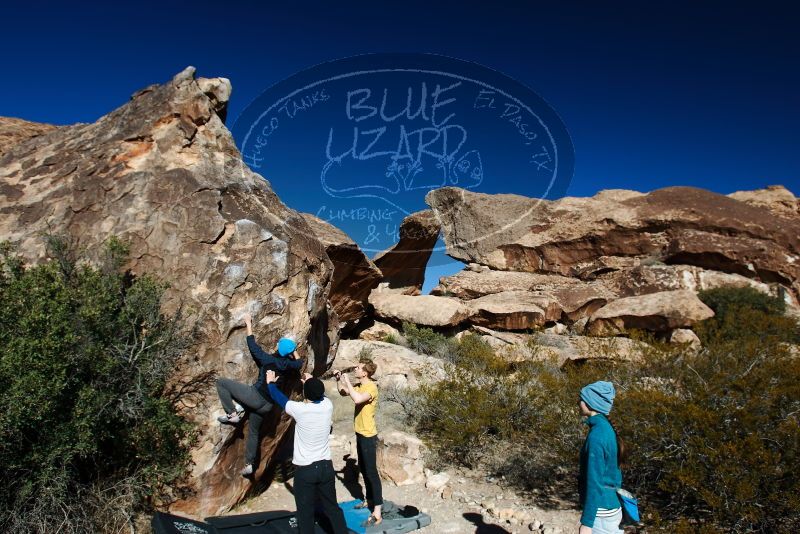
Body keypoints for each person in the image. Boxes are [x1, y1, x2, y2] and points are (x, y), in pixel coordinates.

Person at [215, 312, 303, 476]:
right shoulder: (288, 365)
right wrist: (294, 350)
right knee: (253, 433)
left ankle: (232, 414)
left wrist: (248, 323)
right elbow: (299, 363)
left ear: (278, 347)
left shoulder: (268, 359)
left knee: (221, 382)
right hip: (267, 406)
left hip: (255, 396)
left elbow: (252, 346)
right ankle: (249, 464)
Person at [266, 369, 349, 534]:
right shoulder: (327, 405)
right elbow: (319, 394)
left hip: (305, 470)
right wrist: (310, 383)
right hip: (326, 467)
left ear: (306, 393)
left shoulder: (300, 410)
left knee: (305, 513)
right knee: (332, 508)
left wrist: (270, 383)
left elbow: (279, 398)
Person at [335, 359, 383, 527]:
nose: (356, 369)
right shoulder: (359, 386)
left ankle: (377, 511)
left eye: (359, 368)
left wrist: (347, 380)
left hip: (369, 435)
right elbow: (343, 392)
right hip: (360, 433)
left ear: (365, 372)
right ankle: (369, 499)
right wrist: (339, 379)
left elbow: (357, 400)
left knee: (371, 472)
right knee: (363, 469)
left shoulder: (371, 387)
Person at [578, 381, 625, 534]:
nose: (578, 402)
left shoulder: (597, 436)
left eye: (581, 398)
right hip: (611, 507)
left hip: (601, 515)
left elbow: (594, 481)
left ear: (590, 403)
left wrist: (587, 523)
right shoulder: (606, 428)